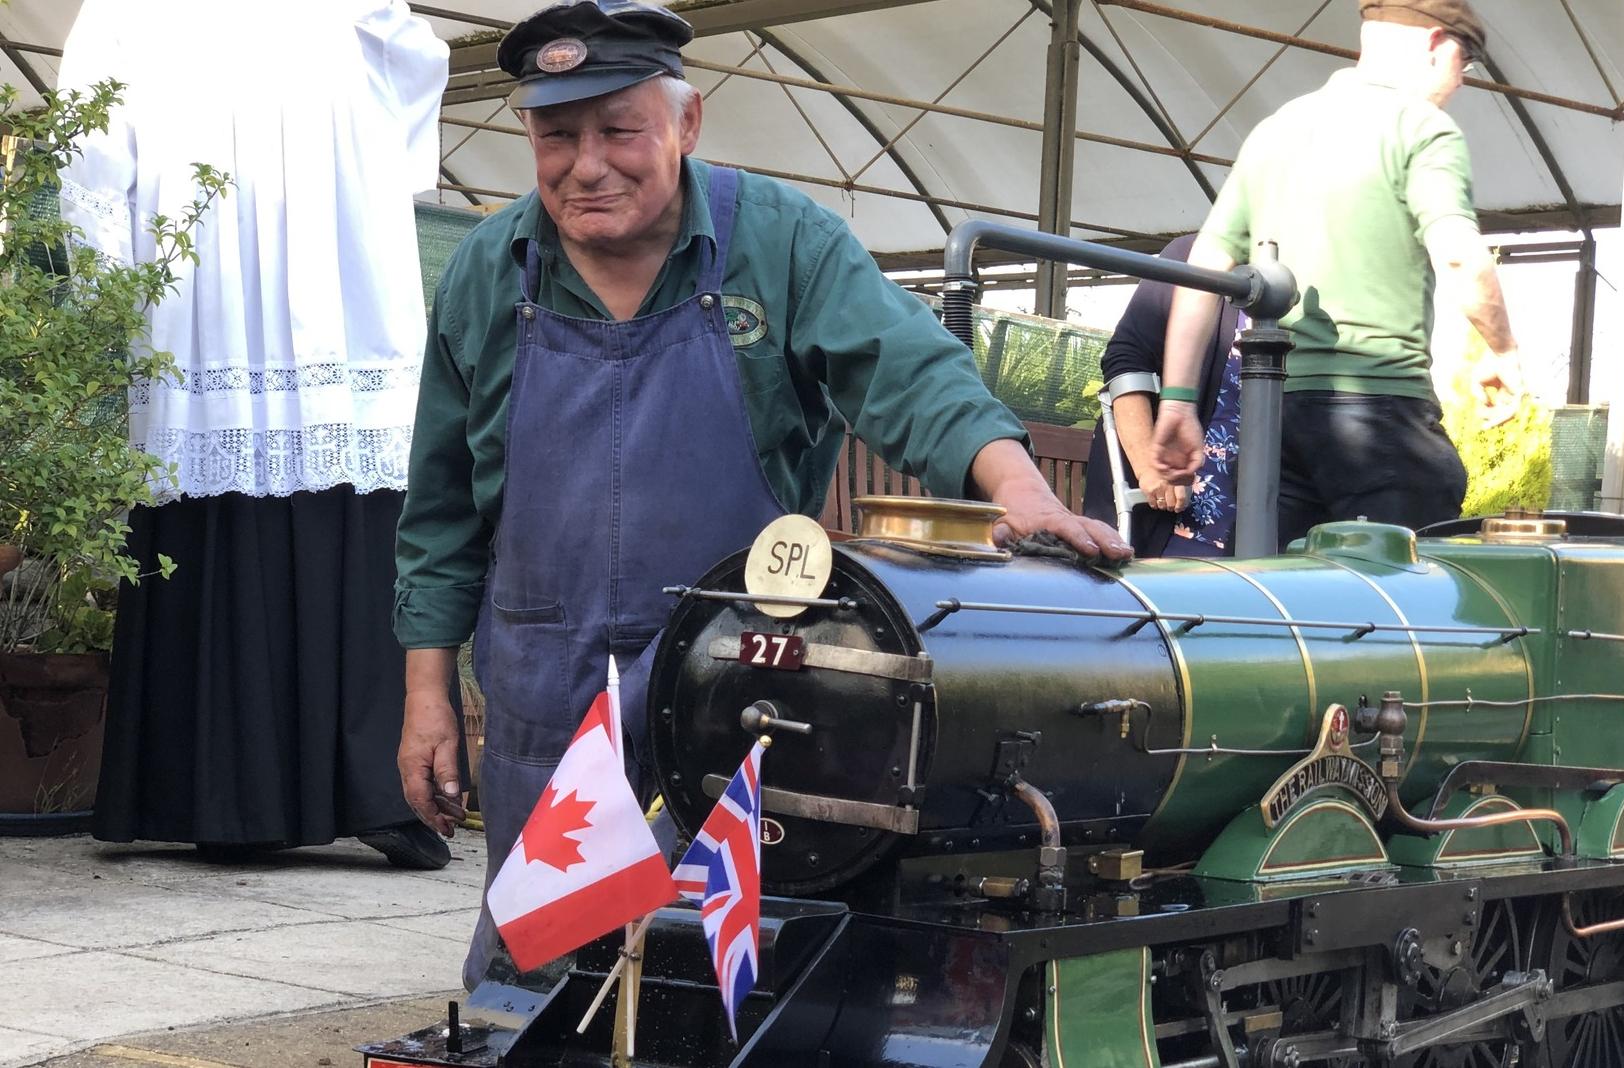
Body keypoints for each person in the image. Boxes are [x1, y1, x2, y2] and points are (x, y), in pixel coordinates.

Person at [390, 0, 1129, 988]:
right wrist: (426, 694)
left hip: (739, 689)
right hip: (543, 689)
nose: (586, 164)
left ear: (685, 126)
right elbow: (439, 507)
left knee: (724, 980)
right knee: (539, 972)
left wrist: (1019, 488)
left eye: (619, 130)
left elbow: (911, 376)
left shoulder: (781, 246)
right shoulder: (489, 270)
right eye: (555, 135)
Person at [58, 0, 452, 867]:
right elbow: (91, 161)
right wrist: (116, 299)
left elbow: (413, 85)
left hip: (338, 305)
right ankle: (219, 797)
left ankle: (376, 790)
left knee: (351, 519)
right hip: (202, 305)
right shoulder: (128, 12)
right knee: (214, 522)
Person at [1148, 0, 1523, 549]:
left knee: (1280, 601)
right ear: (1437, 44)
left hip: (1271, 419)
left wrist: (1179, 401)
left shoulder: (1275, 131)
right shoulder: (1422, 128)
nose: (1460, 83)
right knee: (1401, 609)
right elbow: (1460, 254)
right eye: (1464, 64)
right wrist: (1504, 351)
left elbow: (1207, 265)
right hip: (1379, 413)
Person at [1082, 236, 1246, 556]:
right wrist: (1149, 466)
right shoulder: (1192, 254)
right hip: (1173, 518)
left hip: (1269, 523)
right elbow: (1127, 359)